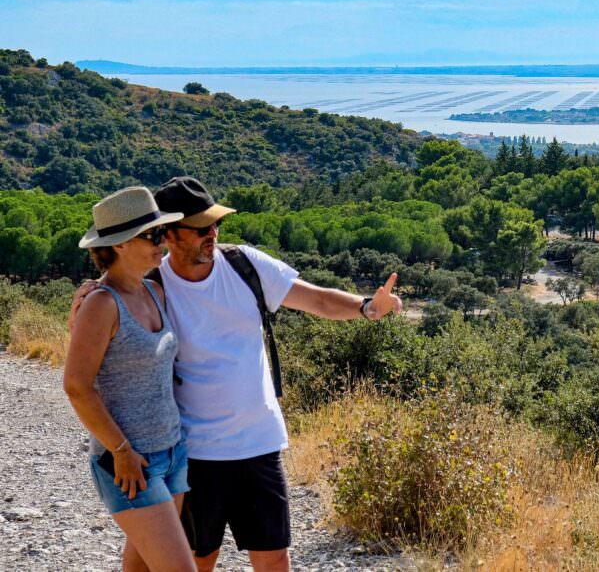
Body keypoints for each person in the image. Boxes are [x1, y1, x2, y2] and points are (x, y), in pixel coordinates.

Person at [78, 176, 402, 572]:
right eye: (200, 228)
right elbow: (96, 341)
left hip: (256, 444)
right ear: (170, 234)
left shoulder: (243, 265)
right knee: (196, 561)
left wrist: (367, 307)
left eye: (216, 225)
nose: (211, 234)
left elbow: (315, 297)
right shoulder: (152, 286)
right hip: (192, 452)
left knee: (274, 559)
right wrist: (88, 295)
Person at [63, 186, 194, 572]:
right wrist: (120, 451)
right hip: (129, 462)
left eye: (162, 233)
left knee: (140, 567)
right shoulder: (102, 303)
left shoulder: (154, 291)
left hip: (172, 450)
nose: (162, 242)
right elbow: (76, 386)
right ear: (119, 245)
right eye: (152, 235)